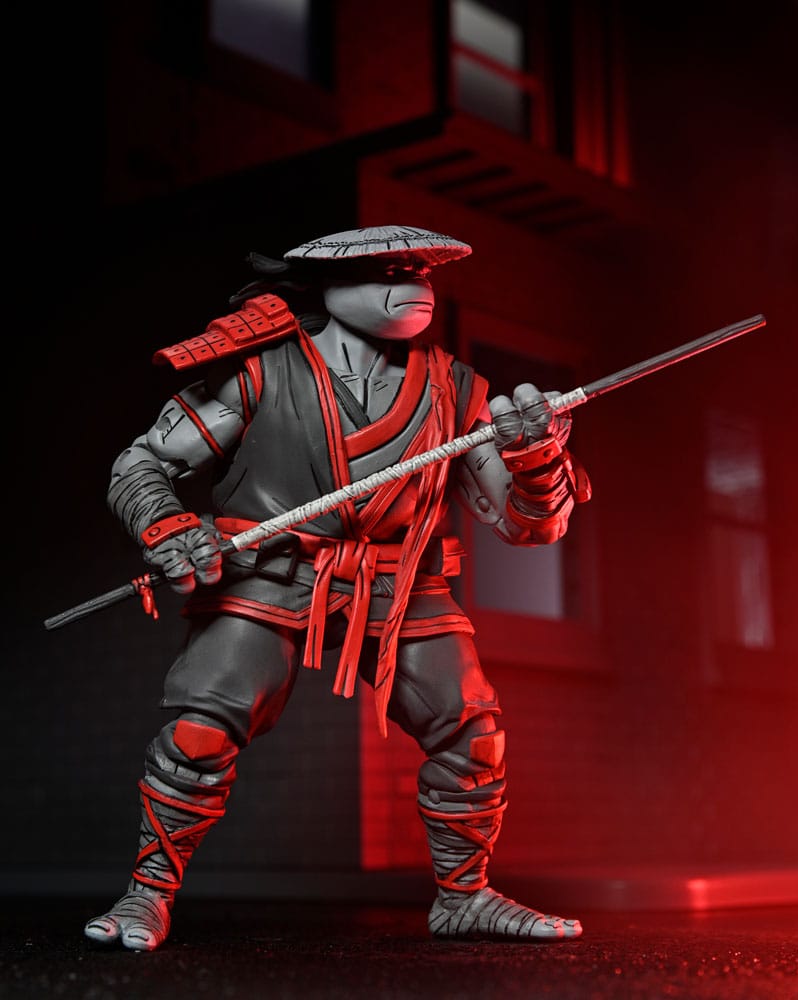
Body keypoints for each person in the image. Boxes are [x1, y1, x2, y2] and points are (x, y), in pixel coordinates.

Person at [84, 225, 591, 951]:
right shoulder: (258, 371)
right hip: (270, 572)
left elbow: (526, 527)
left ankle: (465, 896)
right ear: (329, 286)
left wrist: (536, 458)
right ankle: (146, 894)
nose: (411, 284)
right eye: (388, 270)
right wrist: (168, 527)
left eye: (417, 270)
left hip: (400, 580)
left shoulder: (457, 389)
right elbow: (141, 464)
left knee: (473, 734)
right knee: (201, 730)